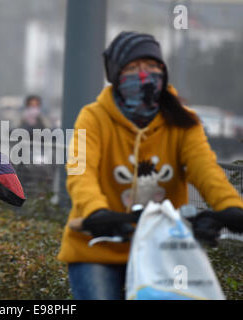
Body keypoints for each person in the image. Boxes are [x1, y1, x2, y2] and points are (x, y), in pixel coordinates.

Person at [57, 31, 243, 300]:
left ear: (163, 72)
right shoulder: (93, 117)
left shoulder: (184, 120)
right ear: (116, 74)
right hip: (98, 247)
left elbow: (206, 170)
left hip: (165, 248)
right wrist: (96, 213)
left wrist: (230, 207)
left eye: (152, 66)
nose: (144, 74)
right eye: (133, 67)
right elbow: (80, 172)